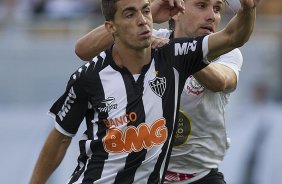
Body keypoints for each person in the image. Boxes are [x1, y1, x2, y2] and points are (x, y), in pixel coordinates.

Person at [29, 0, 260, 183]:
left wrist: (179, 54)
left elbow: (221, 80)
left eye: (218, 8)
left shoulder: (222, 53)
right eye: (202, 5)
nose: (212, 15)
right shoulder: (149, 40)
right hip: (148, 173)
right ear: (177, 10)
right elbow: (83, 49)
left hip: (198, 175)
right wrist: (148, 8)